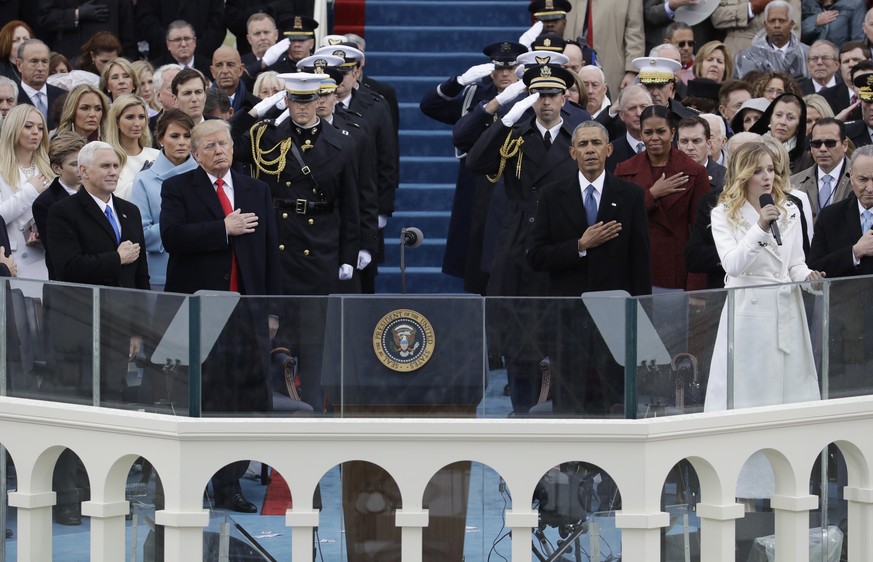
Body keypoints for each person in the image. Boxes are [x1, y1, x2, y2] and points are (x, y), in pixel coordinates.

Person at [161, 119, 280, 512]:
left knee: (244, 398)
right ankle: (195, 481)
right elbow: (172, 237)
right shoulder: (178, 187)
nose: (219, 151)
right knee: (203, 397)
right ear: (195, 153)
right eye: (209, 146)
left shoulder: (256, 189)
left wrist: (271, 310)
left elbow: (268, 252)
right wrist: (222, 229)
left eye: (224, 144)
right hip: (201, 310)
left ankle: (230, 484)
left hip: (247, 310)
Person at [466, 64, 578, 413]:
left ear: (564, 99)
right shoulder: (516, 134)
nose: (545, 102)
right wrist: (506, 120)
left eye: (552, 95)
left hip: (561, 241)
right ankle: (521, 407)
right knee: (518, 334)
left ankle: (558, 414)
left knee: (560, 336)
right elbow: (475, 161)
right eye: (539, 95)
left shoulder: (578, 137)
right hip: (519, 241)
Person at [232, 72, 359, 295]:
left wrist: (348, 255)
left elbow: (349, 205)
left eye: (308, 100)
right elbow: (226, 147)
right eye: (297, 100)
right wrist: (254, 112)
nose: (303, 107)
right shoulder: (266, 135)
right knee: (278, 319)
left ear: (318, 100)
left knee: (315, 320)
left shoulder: (341, 143)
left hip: (320, 241)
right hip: (280, 236)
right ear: (287, 101)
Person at [614, 104, 710, 292]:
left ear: (672, 133)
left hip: (675, 272)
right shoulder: (624, 170)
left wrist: (696, 288)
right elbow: (618, 220)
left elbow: (700, 235)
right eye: (648, 132)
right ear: (641, 135)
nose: (654, 138)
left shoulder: (694, 172)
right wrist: (651, 194)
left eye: (661, 131)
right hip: (634, 269)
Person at [807, 143, 873, 396]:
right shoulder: (831, 216)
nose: (869, 188)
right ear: (850, 178)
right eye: (863, 179)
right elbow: (815, 265)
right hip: (842, 330)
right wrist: (854, 253)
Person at [130, 109, 196, 289]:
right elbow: (140, 235)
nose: (182, 142)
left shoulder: (206, 175)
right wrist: (178, 225)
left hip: (201, 272)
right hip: (161, 275)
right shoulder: (144, 180)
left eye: (187, 136)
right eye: (174, 136)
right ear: (160, 140)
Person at [0, 105, 53, 281]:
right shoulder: (1, 169)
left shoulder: (49, 168)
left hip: (46, 259)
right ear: (14, 127)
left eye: (40, 128)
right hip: (13, 261)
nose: (36, 132)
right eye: (28, 126)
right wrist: (30, 191)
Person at [33, 132, 86, 280]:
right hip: (65, 285)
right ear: (57, 168)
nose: (82, 168)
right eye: (75, 164)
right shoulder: (44, 203)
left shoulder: (98, 192)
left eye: (84, 162)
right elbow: (59, 251)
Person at [790, 117, 853, 224]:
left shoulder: (862, 179)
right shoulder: (793, 183)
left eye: (830, 143)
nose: (822, 149)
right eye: (816, 144)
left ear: (844, 145)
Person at [37, 0, 136, 63]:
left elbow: (128, 34)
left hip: (107, 61)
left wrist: (129, 63)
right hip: (71, 60)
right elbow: (45, 18)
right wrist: (77, 14)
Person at [103, 93, 159, 200]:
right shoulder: (108, 159)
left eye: (141, 117)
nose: (137, 123)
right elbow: (110, 199)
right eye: (130, 117)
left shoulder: (157, 155)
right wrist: (140, 180)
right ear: (117, 122)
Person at [15, 39, 66, 129]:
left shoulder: (64, 96)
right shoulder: (11, 98)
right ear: (19, 65)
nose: (40, 68)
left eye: (44, 62)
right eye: (34, 61)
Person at [678, 115, 727, 191]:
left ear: (708, 144)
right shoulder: (665, 175)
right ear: (678, 145)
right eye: (684, 141)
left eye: (696, 141)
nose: (690, 147)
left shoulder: (726, 178)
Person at [210, 45, 259, 114]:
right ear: (213, 72)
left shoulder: (257, 106)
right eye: (219, 65)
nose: (225, 71)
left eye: (230, 65)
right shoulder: (202, 106)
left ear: (241, 70)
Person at [801, 0, 865, 46]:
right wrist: (814, 21)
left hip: (839, 59)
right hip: (811, 59)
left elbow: (858, 40)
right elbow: (796, 34)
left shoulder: (855, 3)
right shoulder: (807, 3)